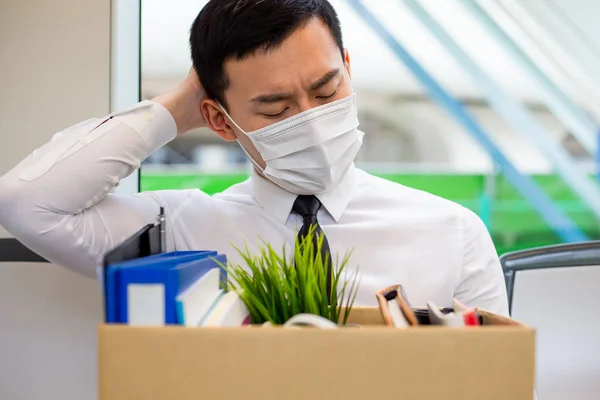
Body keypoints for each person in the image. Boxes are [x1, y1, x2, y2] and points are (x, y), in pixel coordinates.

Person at [0, 0, 508, 314]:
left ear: (347, 68)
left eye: (327, 91)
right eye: (276, 108)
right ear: (221, 120)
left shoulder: (453, 232)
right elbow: (27, 203)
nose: (310, 118)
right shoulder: (178, 231)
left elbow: (503, 384)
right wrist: (177, 107)